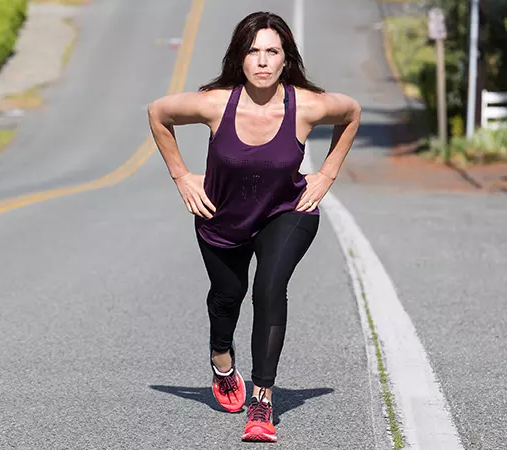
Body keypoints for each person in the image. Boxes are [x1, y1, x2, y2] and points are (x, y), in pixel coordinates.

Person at [147, 10, 360, 443]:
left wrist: (327, 174)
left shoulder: (308, 106)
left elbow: (352, 112)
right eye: (253, 51)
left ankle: (262, 400)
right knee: (227, 297)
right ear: (240, 59)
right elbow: (157, 113)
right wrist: (182, 176)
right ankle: (222, 362)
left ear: (285, 60)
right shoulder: (214, 103)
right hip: (221, 215)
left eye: (272, 52)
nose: (262, 61)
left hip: (287, 210)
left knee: (268, 289)